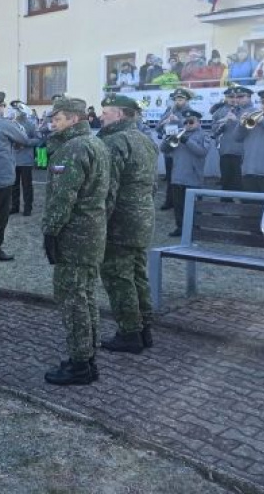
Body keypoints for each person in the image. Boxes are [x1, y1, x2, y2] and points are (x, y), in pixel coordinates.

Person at [41, 96, 109, 386]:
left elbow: (63, 196)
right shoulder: (96, 143)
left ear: (73, 119)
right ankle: (87, 356)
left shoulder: (73, 148)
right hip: (92, 230)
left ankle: (80, 363)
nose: (53, 124)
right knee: (86, 294)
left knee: (72, 298)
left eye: (57, 119)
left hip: (74, 234)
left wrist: (50, 231)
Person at [97, 95, 159, 354]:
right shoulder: (145, 140)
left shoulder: (114, 142)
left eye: (106, 112)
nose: (101, 116)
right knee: (137, 274)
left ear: (120, 114)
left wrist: (100, 222)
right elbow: (154, 184)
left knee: (118, 276)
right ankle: (144, 329)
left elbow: (108, 189)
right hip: (143, 216)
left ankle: (129, 332)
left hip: (120, 221)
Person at [0, 91, 29, 261]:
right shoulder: (4, 124)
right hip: (2, 178)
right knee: (0, 217)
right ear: (0, 107)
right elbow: (24, 139)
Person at [163, 109, 211, 237]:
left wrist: (187, 141)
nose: (188, 124)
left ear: (199, 122)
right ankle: (180, 227)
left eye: (191, 122)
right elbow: (164, 149)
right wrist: (168, 139)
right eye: (186, 122)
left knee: (194, 206)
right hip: (177, 177)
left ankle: (196, 228)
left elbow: (202, 152)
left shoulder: (204, 135)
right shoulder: (178, 133)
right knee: (179, 206)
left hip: (193, 178)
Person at [155, 88, 192, 211]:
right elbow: (157, 128)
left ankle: (183, 204)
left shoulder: (191, 112)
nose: (178, 101)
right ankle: (170, 201)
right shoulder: (169, 111)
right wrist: (164, 122)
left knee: (182, 178)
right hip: (170, 149)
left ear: (186, 100)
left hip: (183, 150)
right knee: (170, 177)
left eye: (181, 99)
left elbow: (191, 128)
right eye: (176, 99)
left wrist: (179, 121)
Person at [211, 87, 252, 192]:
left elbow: (249, 127)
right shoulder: (220, 111)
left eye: (236, 97)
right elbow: (213, 128)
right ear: (226, 98)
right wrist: (221, 123)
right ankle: (225, 199)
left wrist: (235, 120)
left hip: (240, 151)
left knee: (239, 180)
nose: (234, 99)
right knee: (226, 180)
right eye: (231, 97)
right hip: (225, 149)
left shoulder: (246, 111)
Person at [9, 101, 41, 216]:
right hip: (14, 159)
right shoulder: (11, 124)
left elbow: (38, 139)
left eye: (19, 110)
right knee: (14, 185)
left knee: (27, 185)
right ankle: (15, 206)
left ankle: (28, 207)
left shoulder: (31, 124)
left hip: (26, 160)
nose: (17, 112)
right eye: (15, 110)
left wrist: (26, 143)